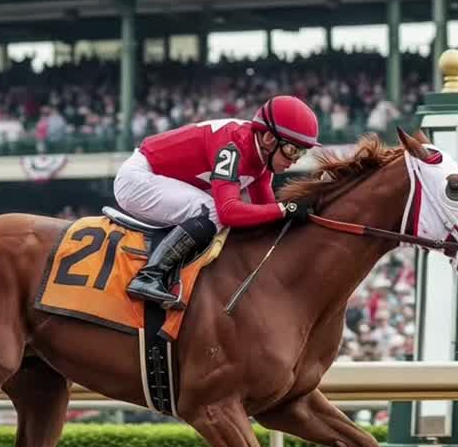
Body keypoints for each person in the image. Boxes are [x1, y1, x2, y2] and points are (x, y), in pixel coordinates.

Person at [112, 95, 320, 309]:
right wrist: (287, 208)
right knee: (212, 209)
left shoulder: (261, 160)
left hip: (156, 179)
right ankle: (148, 277)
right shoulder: (232, 146)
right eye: (292, 150)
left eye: (302, 152)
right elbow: (228, 211)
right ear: (269, 138)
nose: (295, 160)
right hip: (137, 179)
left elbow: (266, 216)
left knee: (220, 211)